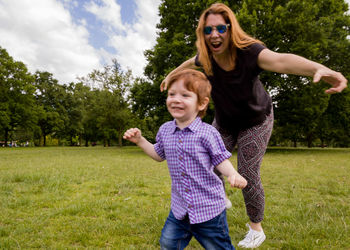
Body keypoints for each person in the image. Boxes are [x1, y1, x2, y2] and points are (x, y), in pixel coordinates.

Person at [160, 3, 348, 248]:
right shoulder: (206, 57)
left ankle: (256, 229)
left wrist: (317, 68)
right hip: (225, 121)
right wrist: (171, 75)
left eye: (220, 28)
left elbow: (281, 61)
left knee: (247, 172)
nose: (214, 34)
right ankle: (216, 201)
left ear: (230, 28)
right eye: (208, 30)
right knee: (205, 161)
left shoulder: (250, 52)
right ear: (203, 34)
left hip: (255, 121)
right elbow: (189, 62)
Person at [123, 69, 247, 249]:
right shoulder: (165, 130)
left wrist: (232, 174)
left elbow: (220, 159)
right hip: (180, 209)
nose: (176, 99)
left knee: (218, 247)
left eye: (185, 95)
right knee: (168, 243)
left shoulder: (208, 133)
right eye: (172, 94)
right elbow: (159, 155)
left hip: (208, 209)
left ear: (202, 103)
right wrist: (140, 141)